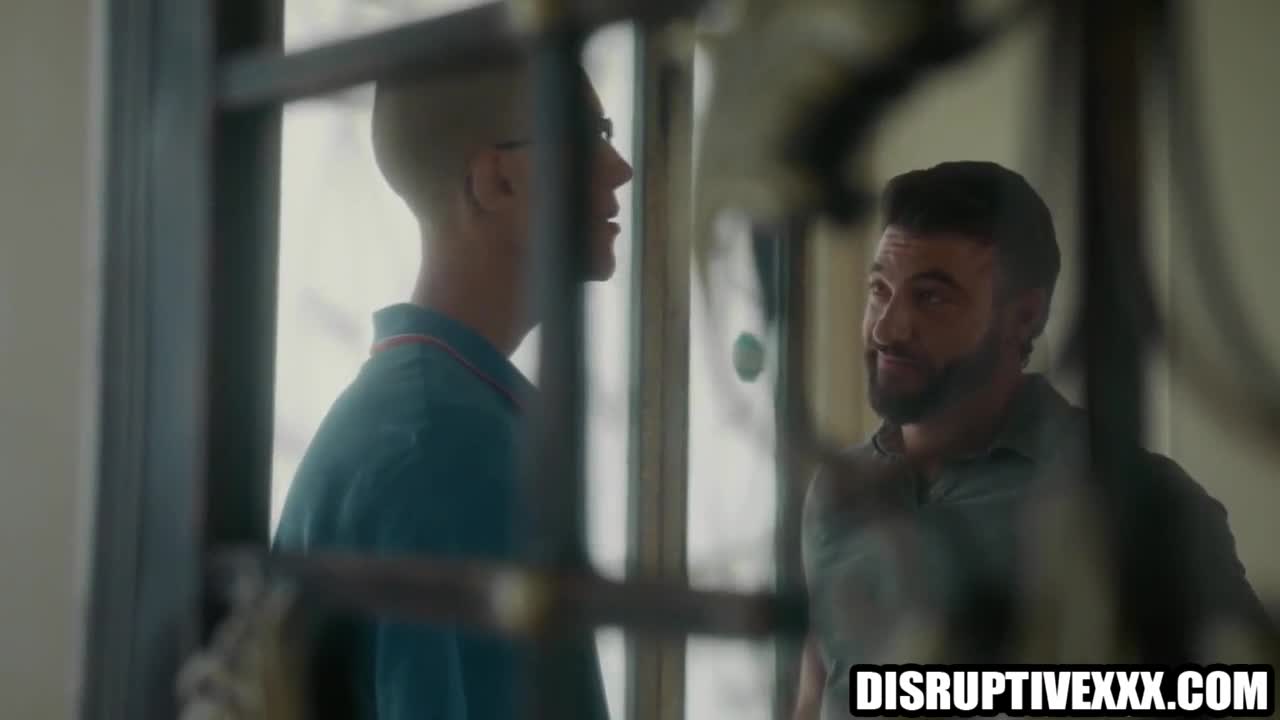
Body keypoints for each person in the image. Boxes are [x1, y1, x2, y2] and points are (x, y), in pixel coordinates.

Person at [790, 161, 1272, 720]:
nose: (886, 328)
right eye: (880, 290)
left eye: (932, 298)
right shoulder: (836, 492)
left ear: (1024, 316)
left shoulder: (1137, 498)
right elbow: (817, 690)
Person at [272, 57, 633, 720]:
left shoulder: (425, 413)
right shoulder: (447, 445)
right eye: (588, 136)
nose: (621, 168)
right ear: (496, 181)